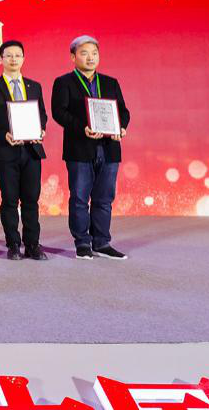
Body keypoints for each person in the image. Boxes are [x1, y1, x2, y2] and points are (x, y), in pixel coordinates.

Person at [51, 35, 131, 260]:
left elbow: (123, 111)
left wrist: (121, 127)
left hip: (109, 148)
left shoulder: (110, 82)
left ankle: (102, 242)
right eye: (84, 53)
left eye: (94, 53)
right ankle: (82, 243)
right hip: (80, 148)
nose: (90, 58)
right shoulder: (64, 82)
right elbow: (59, 112)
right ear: (73, 57)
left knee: (104, 198)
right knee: (79, 198)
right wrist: (82, 128)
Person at [0, 40, 49, 261]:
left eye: (17, 55)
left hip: (32, 150)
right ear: (1, 59)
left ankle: (33, 244)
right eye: (8, 55)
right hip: (5, 150)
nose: (13, 59)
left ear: (23, 59)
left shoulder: (34, 86)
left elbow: (42, 114)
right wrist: (3, 134)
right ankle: (13, 244)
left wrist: (41, 129)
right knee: (9, 199)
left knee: (31, 199)